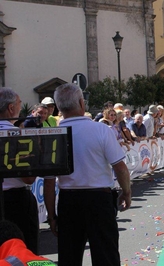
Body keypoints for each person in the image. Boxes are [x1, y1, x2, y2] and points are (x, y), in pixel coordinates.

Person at [44, 83, 131, 266]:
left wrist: (51, 216)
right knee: (106, 256)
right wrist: (126, 192)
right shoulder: (101, 130)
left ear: (59, 108)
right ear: (81, 103)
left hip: (69, 200)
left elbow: (49, 182)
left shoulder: (52, 134)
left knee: (69, 256)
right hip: (99, 198)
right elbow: (120, 167)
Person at [0, 87, 39, 254]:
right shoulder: (20, 134)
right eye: (19, 103)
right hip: (15, 200)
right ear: (11, 108)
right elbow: (28, 178)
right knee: (24, 250)